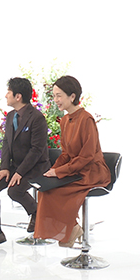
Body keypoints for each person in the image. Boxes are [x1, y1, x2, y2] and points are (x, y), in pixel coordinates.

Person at [33, 75, 110, 247]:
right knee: (45, 190)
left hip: (91, 171)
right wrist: (53, 171)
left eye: (59, 95)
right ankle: (73, 228)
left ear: (72, 96)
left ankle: (70, 230)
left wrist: (60, 172)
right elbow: (66, 154)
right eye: (54, 96)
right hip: (75, 169)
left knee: (58, 192)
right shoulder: (65, 121)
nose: (56, 100)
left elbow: (87, 156)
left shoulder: (86, 119)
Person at [0, 77, 51, 250]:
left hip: (36, 167)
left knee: (14, 190)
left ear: (18, 96)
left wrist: (19, 173)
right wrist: (5, 168)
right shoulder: (11, 116)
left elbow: (36, 150)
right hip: (16, 166)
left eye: (8, 92)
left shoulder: (37, 118)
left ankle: (38, 213)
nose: (6, 96)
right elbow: (6, 143)